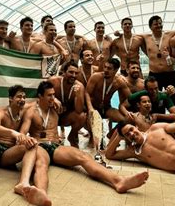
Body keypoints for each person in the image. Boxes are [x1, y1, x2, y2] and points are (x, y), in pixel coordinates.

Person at [17, 81, 149, 198]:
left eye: (54, 95)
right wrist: (28, 140)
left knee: (83, 156)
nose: (53, 98)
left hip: (56, 147)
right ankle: (41, 193)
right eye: (49, 95)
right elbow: (22, 134)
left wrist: (59, 99)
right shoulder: (31, 111)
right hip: (40, 146)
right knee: (41, 165)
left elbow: (78, 109)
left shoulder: (55, 107)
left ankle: (118, 181)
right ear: (40, 96)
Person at [144, 15, 175, 109]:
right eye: (156, 24)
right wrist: (119, 34)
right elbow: (131, 35)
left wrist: (168, 57)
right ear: (150, 27)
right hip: (154, 75)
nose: (159, 26)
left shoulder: (170, 34)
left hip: (170, 74)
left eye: (160, 23)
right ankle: (156, 122)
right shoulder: (146, 37)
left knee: (174, 101)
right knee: (154, 101)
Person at [48, 61, 86, 148]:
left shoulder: (79, 86)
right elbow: (41, 97)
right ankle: (53, 136)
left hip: (66, 117)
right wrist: (53, 99)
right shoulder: (53, 81)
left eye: (76, 73)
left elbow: (79, 110)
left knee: (82, 116)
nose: (74, 75)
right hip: (51, 115)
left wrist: (78, 96)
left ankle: (72, 136)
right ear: (64, 72)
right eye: (71, 72)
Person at [85, 58, 131, 125]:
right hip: (94, 107)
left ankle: (111, 134)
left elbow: (130, 97)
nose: (106, 70)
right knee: (94, 127)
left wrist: (123, 106)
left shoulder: (119, 82)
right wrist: (90, 108)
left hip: (106, 108)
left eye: (109, 68)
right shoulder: (96, 77)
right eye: (105, 67)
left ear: (116, 70)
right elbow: (87, 93)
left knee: (124, 120)